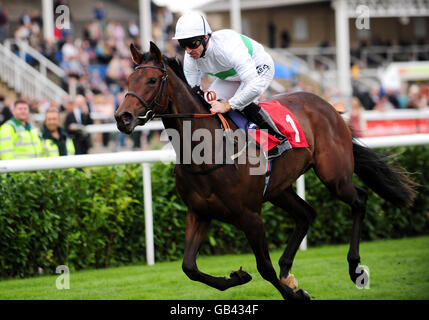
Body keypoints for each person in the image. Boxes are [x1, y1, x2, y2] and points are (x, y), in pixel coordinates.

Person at [172, 12, 291, 159]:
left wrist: (227, 105)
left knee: (241, 103)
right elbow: (193, 91)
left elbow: (254, 86)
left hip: (258, 66)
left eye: (192, 44)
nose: (189, 50)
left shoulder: (228, 47)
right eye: (183, 45)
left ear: (206, 37)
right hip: (230, 76)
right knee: (208, 104)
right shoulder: (191, 57)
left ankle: (280, 139)